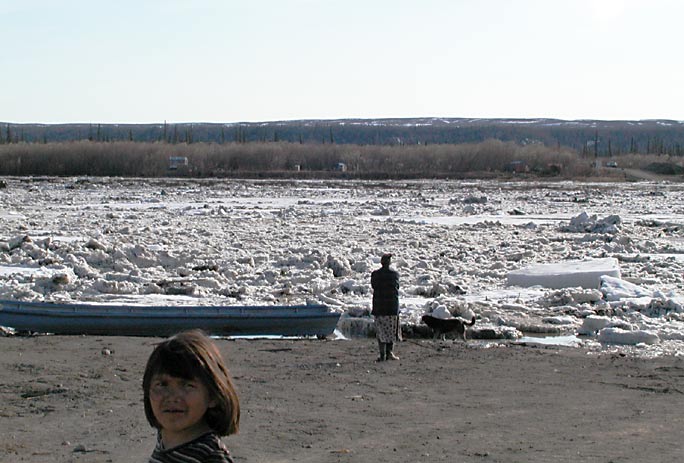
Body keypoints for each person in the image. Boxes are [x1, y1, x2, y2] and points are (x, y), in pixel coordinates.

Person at [143, 330, 240, 463]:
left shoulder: (211, 455)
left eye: (187, 385)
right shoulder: (165, 437)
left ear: (213, 396)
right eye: (162, 385)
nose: (172, 397)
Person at [370, 253, 402, 361]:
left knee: (381, 331)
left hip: (379, 306)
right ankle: (389, 353)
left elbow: (374, 286)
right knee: (391, 331)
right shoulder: (395, 274)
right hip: (391, 306)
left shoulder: (375, 274)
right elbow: (397, 287)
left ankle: (382, 354)